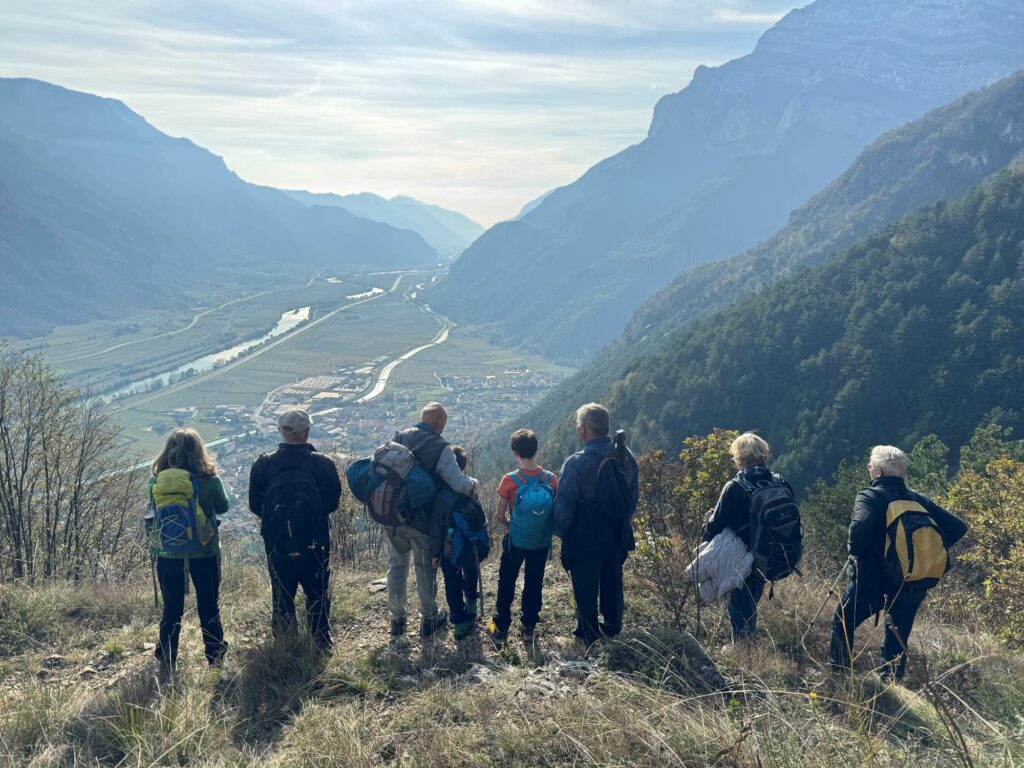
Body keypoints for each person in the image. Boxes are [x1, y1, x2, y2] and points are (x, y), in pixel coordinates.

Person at [828, 445, 967, 681]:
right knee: (898, 633)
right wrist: (928, 549)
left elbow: (858, 537)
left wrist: (857, 550)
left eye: (871, 467)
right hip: (911, 580)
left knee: (843, 619)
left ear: (878, 472)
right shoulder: (916, 498)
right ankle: (891, 682)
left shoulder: (869, 496)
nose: (870, 470)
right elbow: (958, 527)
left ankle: (839, 676)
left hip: (871, 580)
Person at [249, 409, 342, 650]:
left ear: (280, 431)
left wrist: (281, 521)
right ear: (307, 432)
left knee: (282, 591)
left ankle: (285, 641)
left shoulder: (263, 465)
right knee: (318, 589)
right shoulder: (323, 464)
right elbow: (332, 504)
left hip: (277, 541)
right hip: (316, 539)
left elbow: (255, 505)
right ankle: (321, 637)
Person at [388, 402, 479, 639]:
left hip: (393, 514)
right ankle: (429, 620)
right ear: (440, 421)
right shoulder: (441, 448)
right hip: (423, 519)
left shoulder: (399, 436)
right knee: (424, 569)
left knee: (397, 566)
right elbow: (457, 482)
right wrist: (474, 485)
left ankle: (397, 621)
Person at [554, 403, 638, 645]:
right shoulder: (625, 456)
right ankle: (612, 626)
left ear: (583, 430)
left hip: (585, 533)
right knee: (612, 578)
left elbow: (565, 504)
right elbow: (632, 496)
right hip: (616, 530)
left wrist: (560, 532)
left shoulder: (576, 463)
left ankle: (588, 633)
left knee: (585, 584)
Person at [148, 428, 230, 676]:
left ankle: (166, 659)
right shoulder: (211, 481)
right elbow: (223, 507)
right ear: (199, 451)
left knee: (172, 609)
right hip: (205, 553)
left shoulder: (156, 482)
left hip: (168, 553)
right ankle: (215, 660)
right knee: (208, 606)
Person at [703, 432, 794, 644]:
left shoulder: (735, 487)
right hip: (770, 555)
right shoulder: (780, 482)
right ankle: (748, 641)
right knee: (750, 601)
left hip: (741, 557)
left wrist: (706, 523)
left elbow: (715, 527)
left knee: (739, 605)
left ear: (741, 458)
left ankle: (744, 653)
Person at [487, 428, 558, 644]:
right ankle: (528, 626)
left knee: (507, 580)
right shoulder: (551, 479)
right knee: (534, 581)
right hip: (540, 541)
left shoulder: (510, 480)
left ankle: (500, 628)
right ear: (536, 450)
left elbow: (499, 515)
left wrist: (513, 526)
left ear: (515, 453)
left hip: (516, 541)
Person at [436, 445, 482, 640]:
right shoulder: (469, 489)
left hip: (448, 546)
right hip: (470, 544)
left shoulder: (440, 494)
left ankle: (460, 623)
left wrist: (434, 551)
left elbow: (435, 525)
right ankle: (471, 603)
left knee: (451, 581)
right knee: (471, 571)